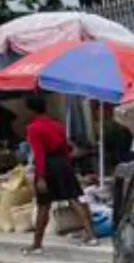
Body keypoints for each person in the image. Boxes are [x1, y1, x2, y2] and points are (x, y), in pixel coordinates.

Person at [22, 95, 96, 254]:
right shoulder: (58, 125)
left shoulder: (33, 128)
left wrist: (41, 176)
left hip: (48, 165)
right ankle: (91, 235)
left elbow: (39, 154)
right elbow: (65, 148)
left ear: (30, 110)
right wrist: (66, 163)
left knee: (43, 205)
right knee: (74, 199)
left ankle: (37, 244)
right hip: (63, 163)